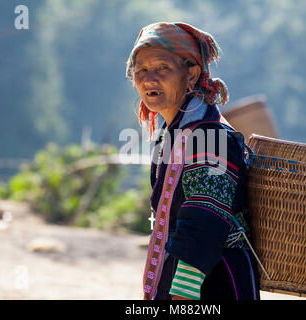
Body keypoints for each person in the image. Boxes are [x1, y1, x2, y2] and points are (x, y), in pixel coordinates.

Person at [126, 21, 260, 300]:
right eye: (141, 71)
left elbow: (205, 219)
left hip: (213, 281)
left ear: (192, 74)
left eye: (162, 68)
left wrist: (182, 294)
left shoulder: (211, 137)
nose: (149, 78)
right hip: (181, 275)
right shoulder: (172, 134)